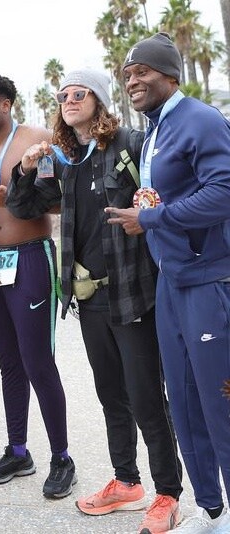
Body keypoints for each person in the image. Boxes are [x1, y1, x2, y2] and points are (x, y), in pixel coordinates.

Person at [5, 68, 184, 533]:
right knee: (111, 396)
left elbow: (170, 190)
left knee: (147, 398)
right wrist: (25, 171)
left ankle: (168, 492)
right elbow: (24, 206)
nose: (68, 100)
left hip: (134, 295)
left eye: (78, 93)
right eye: (62, 95)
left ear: (99, 100)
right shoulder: (65, 160)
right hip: (90, 300)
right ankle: (126, 481)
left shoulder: (130, 144)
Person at [107, 33, 230, 533]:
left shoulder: (200, 119)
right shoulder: (155, 127)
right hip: (171, 282)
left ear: (170, 74)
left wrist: (152, 219)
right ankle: (211, 510)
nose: (132, 81)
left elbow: (224, 192)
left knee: (220, 404)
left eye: (142, 71)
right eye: (127, 74)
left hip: (208, 282)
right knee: (184, 404)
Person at [0, 71, 76, 499]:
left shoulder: (36, 140)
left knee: (37, 361)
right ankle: (18, 450)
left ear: (5, 104)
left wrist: (16, 197)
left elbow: (61, 199)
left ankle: (62, 457)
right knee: (9, 362)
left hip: (31, 258)